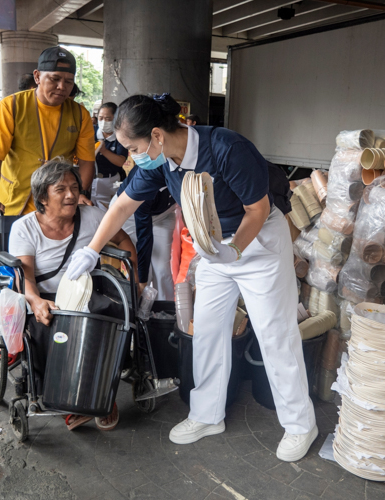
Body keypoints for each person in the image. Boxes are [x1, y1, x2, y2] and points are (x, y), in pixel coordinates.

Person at [66, 93, 318, 462]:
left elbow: (258, 208)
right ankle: (207, 414)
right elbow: (122, 204)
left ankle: (300, 424)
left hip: (258, 242)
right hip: (214, 245)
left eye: (133, 147)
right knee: (209, 329)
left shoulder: (227, 148)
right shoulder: (161, 160)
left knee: (274, 333)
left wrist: (236, 252)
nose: (132, 156)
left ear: (156, 135)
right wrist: (91, 249)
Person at [8, 158, 136, 431]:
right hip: (46, 294)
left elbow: (124, 242)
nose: (71, 194)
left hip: (87, 289)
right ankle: (62, 394)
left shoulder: (93, 217)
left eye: (74, 187)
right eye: (61, 189)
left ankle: (103, 393)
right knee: (48, 327)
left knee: (110, 317)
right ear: (42, 196)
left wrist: (134, 278)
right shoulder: (24, 228)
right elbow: (26, 278)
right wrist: (36, 301)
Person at [0, 46, 95, 224]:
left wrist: (80, 193)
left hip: (58, 205)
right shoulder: (11, 106)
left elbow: (87, 161)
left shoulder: (80, 114)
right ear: (37, 77)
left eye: (69, 81)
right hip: (16, 202)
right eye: (54, 79)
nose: (62, 87)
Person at [114, 164, 177, 300]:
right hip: (129, 213)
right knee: (139, 269)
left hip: (164, 213)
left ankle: (164, 312)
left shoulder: (186, 170)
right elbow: (144, 235)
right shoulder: (145, 178)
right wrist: (142, 282)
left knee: (162, 268)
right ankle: (136, 310)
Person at [91, 102, 128, 209]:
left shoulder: (120, 136)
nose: (103, 122)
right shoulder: (91, 132)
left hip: (111, 182)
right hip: (91, 180)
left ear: (116, 119)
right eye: (101, 118)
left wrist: (104, 150)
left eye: (108, 119)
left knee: (110, 209)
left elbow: (121, 161)